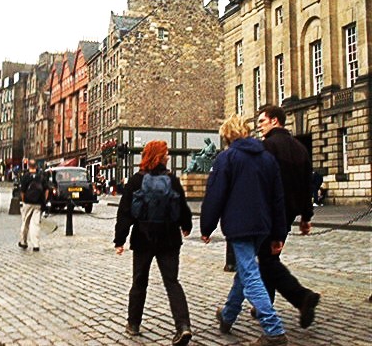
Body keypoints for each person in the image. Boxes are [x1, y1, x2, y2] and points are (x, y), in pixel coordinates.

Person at [201, 115, 288, 346]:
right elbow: (278, 198)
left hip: (239, 225)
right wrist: (278, 233)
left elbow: (215, 195)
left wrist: (206, 226)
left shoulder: (227, 158)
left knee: (249, 273)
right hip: (262, 225)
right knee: (245, 269)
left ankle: (273, 329)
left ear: (227, 136)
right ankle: (228, 315)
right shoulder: (267, 159)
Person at [114, 140, 193, 346]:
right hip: (169, 238)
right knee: (172, 282)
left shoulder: (136, 180)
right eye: (165, 153)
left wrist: (120, 239)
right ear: (159, 156)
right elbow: (183, 207)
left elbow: (125, 212)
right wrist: (186, 226)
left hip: (143, 237)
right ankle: (183, 326)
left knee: (139, 281)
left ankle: (133, 323)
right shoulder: (172, 179)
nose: (168, 156)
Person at [257, 105, 320, 328]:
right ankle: (265, 304)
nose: (259, 126)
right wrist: (306, 216)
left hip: (269, 213)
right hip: (288, 215)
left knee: (267, 260)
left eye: (262, 121)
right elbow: (307, 186)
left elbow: (264, 183)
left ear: (275, 121)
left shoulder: (268, 147)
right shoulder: (301, 149)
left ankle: (302, 297)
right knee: (269, 258)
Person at [19, 160, 48, 252]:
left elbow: (22, 191)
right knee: (35, 224)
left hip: (27, 203)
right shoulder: (41, 176)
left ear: (28, 166)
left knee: (25, 223)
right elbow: (46, 190)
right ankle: (36, 244)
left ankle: (23, 242)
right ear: (36, 166)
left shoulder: (25, 176)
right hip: (38, 203)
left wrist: (24, 200)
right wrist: (44, 200)